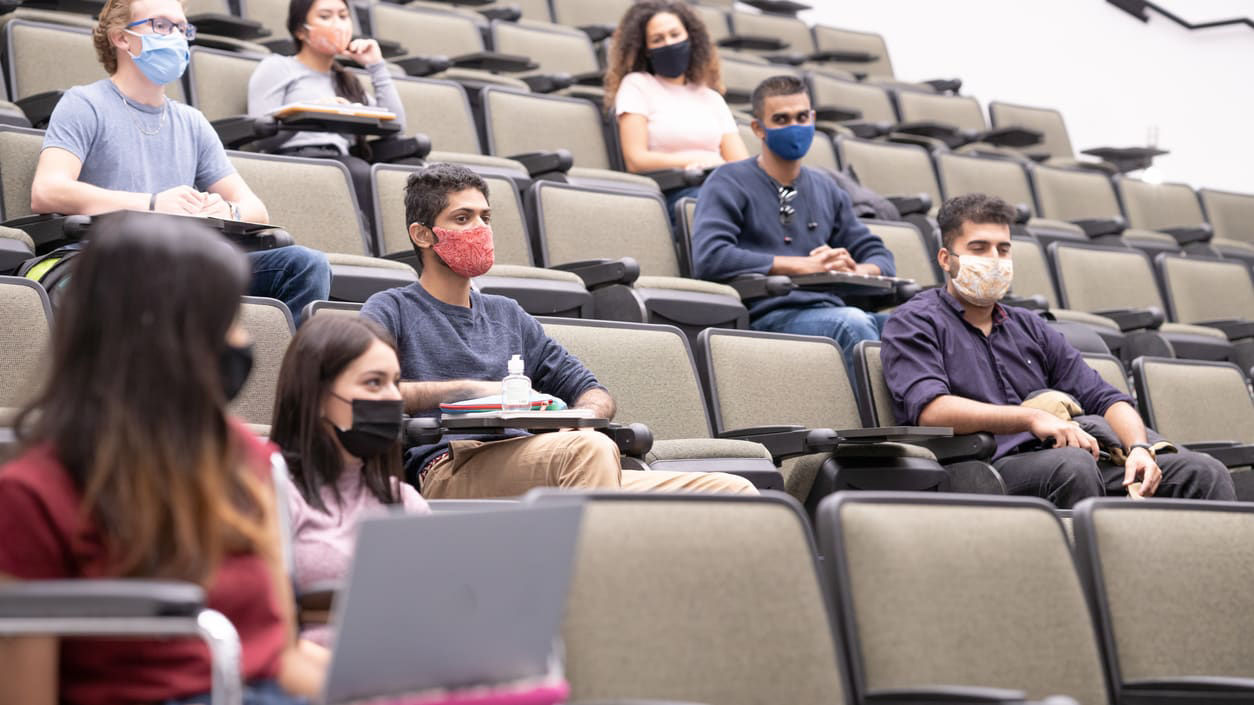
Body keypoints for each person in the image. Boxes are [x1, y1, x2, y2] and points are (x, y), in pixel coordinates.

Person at [0, 212, 326, 705]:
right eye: (229, 320)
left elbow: (281, 659)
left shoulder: (250, 458)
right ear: (165, 339)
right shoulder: (32, 495)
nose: (245, 341)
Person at [360, 163, 756, 498]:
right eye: (463, 219)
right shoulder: (391, 307)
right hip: (448, 466)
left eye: (485, 217)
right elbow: (363, 390)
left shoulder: (507, 314)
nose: (480, 228)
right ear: (423, 234)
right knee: (589, 450)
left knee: (731, 492)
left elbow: (594, 391)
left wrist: (580, 416)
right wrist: (468, 390)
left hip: (544, 455)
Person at [880, 193, 1236, 508]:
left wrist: (1139, 449)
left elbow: (1104, 398)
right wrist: (1032, 418)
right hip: (980, 465)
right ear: (946, 258)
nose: (994, 259)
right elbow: (932, 411)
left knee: (1202, 471)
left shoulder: (1028, 326)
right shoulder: (914, 321)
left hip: (1071, 458)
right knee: (1073, 466)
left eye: (1003, 249)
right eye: (979, 248)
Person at [29, 0, 331, 323]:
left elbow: (256, 209)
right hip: (109, 258)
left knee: (305, 265)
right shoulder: (84, 104)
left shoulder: (192, 122)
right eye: (161, 25)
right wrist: (153, 204)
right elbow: (47, 191)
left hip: (181, 265)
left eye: (182, 28)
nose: (176, 37)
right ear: (121, 38)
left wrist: (227, 210)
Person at [691, 75, 895, 368]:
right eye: (782, 120)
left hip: (830, 309)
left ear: (813, 118)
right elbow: (711, 257)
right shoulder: (728, 181)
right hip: (767, 315)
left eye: (802, 117)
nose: (795, 127)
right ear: (758, 128)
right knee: (851, 325)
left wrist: (853, 269)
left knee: (914, 329)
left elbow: (881, 256)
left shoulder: (827, 188)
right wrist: (800, 265)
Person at [269, 314, 430, 647]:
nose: (392, 398)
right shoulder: (274, 492)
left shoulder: (404, 500)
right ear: (317, 397)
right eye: (373, 382)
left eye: (395, 383)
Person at [247, 0, 407, 228]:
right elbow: (262, 135)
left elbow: (397, 125)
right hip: (293, 160)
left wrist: (376, 66)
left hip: (342, 161)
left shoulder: (347, 80)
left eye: (343, 16)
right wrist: (311, 111)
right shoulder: (277, 67)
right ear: (301, 30)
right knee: (357, 171)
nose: (337, 25)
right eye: (325, 16)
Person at [604, 0, 748, 215]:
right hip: (675, 193)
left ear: (691, 38)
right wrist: (695, 161)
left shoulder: (711, 97)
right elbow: (636, 160)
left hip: (720, 188)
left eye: (675, 35)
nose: (669, 43)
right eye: (657, 39)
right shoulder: (637, 85)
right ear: (646, 50)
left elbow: (741, 163)